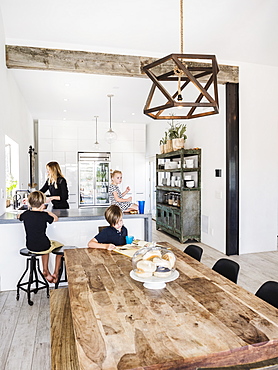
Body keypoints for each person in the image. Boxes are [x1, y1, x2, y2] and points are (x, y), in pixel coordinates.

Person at [18, 190, 63, 283]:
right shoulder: (44, 215)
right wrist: (48, 212)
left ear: (29, 203)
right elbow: (55, 219)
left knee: (44, 248)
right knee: (60, 248)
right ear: (43, 204)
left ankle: (45, 270)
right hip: (44, 245)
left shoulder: (26, 214)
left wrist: (21, 214)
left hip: (30, 246)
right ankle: (55, 273)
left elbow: (19, 216)